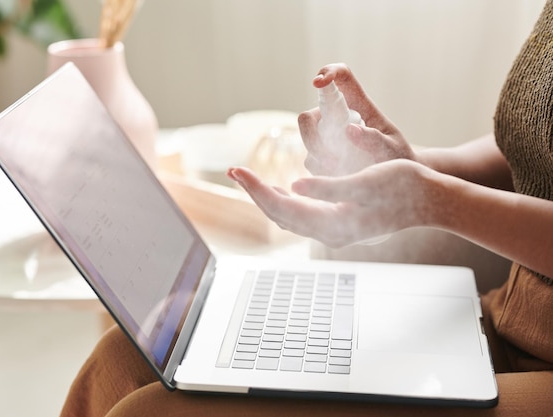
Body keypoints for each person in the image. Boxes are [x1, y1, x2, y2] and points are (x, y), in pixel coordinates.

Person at [60, 1, 553, 415]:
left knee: (150, 411)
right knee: (122, 359)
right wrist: (414, 163)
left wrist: (436, 201)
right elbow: (530, 158)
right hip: (509, 309)